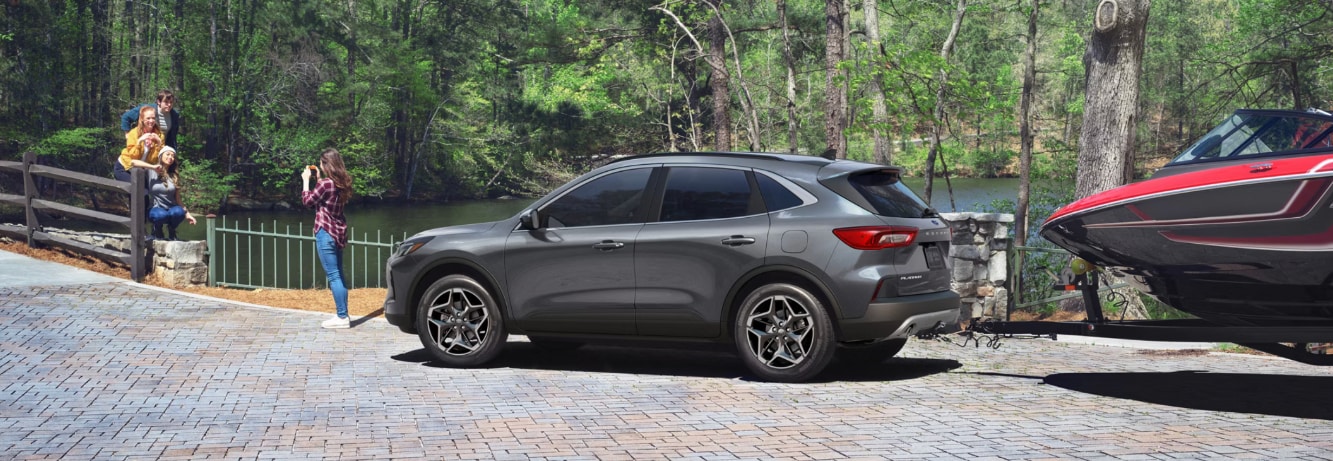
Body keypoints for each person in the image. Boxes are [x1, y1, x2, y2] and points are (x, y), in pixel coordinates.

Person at [301, 148, 354, 329]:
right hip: (338, 232)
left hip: (325, 232)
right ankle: (343, 314)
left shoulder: (325, 184)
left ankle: (342, 317)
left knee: (333, 276)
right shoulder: (342, 183)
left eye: (322, 163)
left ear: (326, 164)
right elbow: (325, 198)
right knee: (338, 274)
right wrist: (317, 181)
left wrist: (306, 181)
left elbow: (308, 202)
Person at [146, 146, 197, 241]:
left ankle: (172, 230)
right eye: (168, 154)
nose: (171, 157)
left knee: (179, 212)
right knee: (161, 215)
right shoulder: (151, 171)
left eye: (173, 156)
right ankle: (156, 229)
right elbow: (136, 164)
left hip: (171, 208)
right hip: (155, 209)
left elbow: (178, 199)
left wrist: (187, 214)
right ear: (160, 156)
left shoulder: (174, 176)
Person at [115, 105, 164, 182]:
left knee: (145, 192)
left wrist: (159, 143)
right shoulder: (134, 133)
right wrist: (139, 141)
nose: (151, 121)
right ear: (142, 119)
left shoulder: (159, 135)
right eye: (148, 118)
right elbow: (133, 157)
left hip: (141, 169)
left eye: (153, 118)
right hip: (125, 167)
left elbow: (154, 160)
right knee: (139, 191)